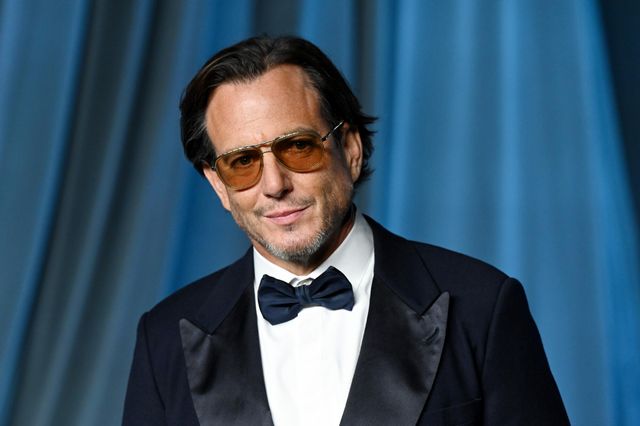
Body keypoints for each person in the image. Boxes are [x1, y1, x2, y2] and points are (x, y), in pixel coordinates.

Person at [123, 36, 569, 425]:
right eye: (243, 162)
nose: (274, 184)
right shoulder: (163, 339)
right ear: (218, 185)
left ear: (351, 149)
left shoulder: (482, 308)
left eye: (298, 147)